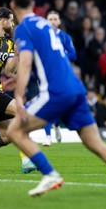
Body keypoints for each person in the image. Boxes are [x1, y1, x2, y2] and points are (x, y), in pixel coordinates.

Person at [6, 0, 106, 200]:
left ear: (12, 5)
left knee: (15, 130)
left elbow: (24, 63)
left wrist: (18, 95)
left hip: (55, 91)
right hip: (75, 88)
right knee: (94, 143)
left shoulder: (23, 28)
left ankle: (50, 174)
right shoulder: (45, 24)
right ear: (33, 4)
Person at [0, 7, 37, 174]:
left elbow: (8, 71)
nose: (13, 23)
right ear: (3, 20)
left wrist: (17, 54)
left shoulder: (8, 43)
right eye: (12, 20)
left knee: (7, 136)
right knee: (22, 113)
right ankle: (27, 161)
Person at [42, 10, 77, 146]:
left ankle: (56, 124)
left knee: (59, 103)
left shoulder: (65, 37)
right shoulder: (42, 37)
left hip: (61, 75)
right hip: (45, 75)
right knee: (47, 103)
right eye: (50, 19)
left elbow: (74, 55)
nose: (52, 21)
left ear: (59, 21)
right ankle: (47, 136)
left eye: (55, 19)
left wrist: (59, 56)